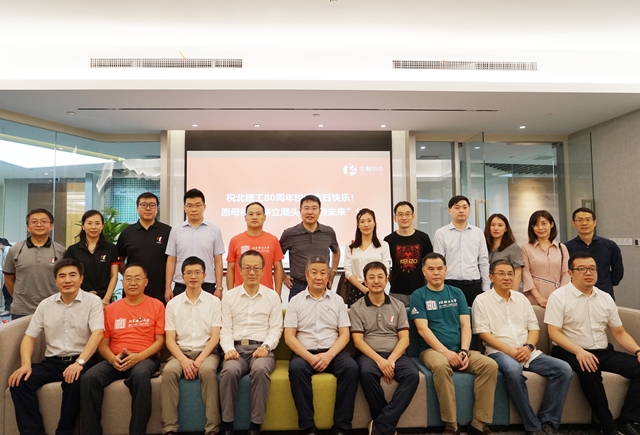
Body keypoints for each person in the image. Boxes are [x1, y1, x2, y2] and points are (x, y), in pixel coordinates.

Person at [472, 260, 572, 435]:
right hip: (499, 352)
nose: (507, 277)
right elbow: (483, 333)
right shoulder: (481, 300)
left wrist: (528, 347)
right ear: (491, 277)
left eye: (510, 274)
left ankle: (548, 421)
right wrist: (509, 351)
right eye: (501, 273)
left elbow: (534, 328)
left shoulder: (521, 299)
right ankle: (533, 426)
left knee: (563, 369)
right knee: (513, 370)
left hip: (528, 352)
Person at [545, 252, 640, 435]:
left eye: (592, 269)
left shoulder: (605, 297)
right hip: (569, 350)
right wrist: (579, 351)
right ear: (570, 273)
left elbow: (619, 332)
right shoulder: (558, 297)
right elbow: (554, 333)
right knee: (589, 368)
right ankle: (607, 426)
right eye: (582, 269)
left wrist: (637, 350)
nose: (588, 273)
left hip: (602, 351)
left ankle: (627, 420)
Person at [9, 258, 103, 435]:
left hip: (82, 360)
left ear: (81, 278)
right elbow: (29, 337)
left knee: (74, 380)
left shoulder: (93, 301)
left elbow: (98, 333)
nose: (67, 280)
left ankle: (64, 432)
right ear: (55, 280)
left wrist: (79, 363)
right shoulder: (46, 305)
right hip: (52, 363)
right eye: (62, 276)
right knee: (20, 382)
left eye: (72, 275)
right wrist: (25, 364)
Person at [411, 252, 498, 435]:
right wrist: (446, 353)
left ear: (446, 270)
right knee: (441, 366)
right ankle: (451, 424)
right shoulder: (418, 295)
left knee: (489, 365)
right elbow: (422, 329)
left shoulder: (457, 293)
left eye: (439, 268)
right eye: (431, 269)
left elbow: (466, 325)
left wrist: (464, 351)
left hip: (460, 349)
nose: (436, 272)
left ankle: (478, 423)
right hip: (432, 351)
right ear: (424, 272)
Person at [81, 264, 165, 435]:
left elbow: (160, 341)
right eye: (128, 278)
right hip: (115, 358)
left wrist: (139, 357)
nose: (132, 282)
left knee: (140, 376)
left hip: (144, 358)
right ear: (123, 282)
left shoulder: (157, 305)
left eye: (137, 278)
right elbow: (102, 343)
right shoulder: (111, 309)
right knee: (89, 378)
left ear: (146, 282)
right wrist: (112, 358)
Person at [285, 256, 358, 435]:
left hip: (333, 352)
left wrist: (328, 355)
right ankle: (308, 426)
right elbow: (289, 337)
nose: (318, 277)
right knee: (296, 369)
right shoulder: (295, 301)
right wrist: (310, 358)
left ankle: (341, 426)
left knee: (351, 367)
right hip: (305, 353)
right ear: (307, 275)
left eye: (323, 273)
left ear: (329, 276)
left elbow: (345, 334)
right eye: (314, 272)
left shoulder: (337, 301)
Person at [349, 261, 419, 435]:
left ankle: (381, 425)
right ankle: (386, 426)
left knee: (412, 375)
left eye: (380, 277)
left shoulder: (398, 305)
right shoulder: (356, 308)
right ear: (365, 281)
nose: (376, 281)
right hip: (369, 355)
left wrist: (391, 360)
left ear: (387, 279)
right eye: (371, 277)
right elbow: (358, 341)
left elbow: (404, 339)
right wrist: (380, 361)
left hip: (396, 354)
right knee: (366, 373)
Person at [219, 250, 283, 435]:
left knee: (261, 370)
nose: (252, 272)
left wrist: (266, 347)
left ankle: (255, 425)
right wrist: (228, 349)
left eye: (256, 268)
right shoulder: (229, 297)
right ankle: (227, 423)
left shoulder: (272, 297)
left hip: (261, 349)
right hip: (236, 349)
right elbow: (225, 328)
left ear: (263, 270)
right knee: (229, 371)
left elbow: (276, 329)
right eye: (247, 268)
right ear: (240, 270)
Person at [162, 256, 222, 435]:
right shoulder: (173, 304)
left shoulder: (214, 302)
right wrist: (184, 360)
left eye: (197, 272)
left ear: (204, 275)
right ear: (182, 277)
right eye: (188, 273)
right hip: (181, 352)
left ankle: (212, 428)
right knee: (168, 372)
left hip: (207, 353)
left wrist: (199, 361)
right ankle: (169, 428)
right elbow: (170, 340)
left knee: (208, 371)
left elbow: (215, 337)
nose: (193, 276)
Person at [2, 208, 66, 319]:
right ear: (27, 227)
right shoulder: (15, 250)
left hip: (53, 308)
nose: (39, 224)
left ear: (51, 226)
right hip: (21, 310)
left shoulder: (61, 251)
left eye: (44, 221)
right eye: (34, 222)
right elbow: (8, 280)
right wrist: (19, 298)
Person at [166, 188, 225, 302]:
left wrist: (219, 287)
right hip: (181, 285)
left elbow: (218, 261)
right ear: (184, 208)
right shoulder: (176, 230)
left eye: (198, 205)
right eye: (189, 206)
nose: (194, 209)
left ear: (204, 207)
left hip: (207, 285)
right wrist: (168, 287)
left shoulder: (215, 230)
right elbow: (171, 260)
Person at [280, 194, 340, 301]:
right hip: (298, 286)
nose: (310, 212)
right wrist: (283, 276)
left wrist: (333, 272)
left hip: (322, 285)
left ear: (319, 211)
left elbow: (336, 251)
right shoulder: (289, 234)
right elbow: (277, 257)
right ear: (300, 211)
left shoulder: (328, 232)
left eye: (314, 208)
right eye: (306, 208)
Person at [433, 196, 490, 306]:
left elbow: (483, 261)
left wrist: (486, 287)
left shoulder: (478, 233)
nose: (461, 210)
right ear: (449, 210)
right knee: (451, 315)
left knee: (475, 315)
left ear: (469, 210)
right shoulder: (441, 233)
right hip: (450, 284)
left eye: (465, 207)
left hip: (474, 285)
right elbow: (438, 263)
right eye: (457, 207)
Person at [117, 192, 172, 304]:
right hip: (133, 288)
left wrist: (168, 287)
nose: (148, 208)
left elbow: (172, 261)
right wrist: (131, 276)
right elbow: (119, 260)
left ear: (157, 208)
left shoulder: (167, 231)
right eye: (143, 205)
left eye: (152, 205)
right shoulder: (127, 232)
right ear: (137, 208)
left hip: (160, 288)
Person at [226, 202, 285, 297]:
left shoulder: (273, 240)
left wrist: (278, 294)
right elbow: (231, 269)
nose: (254, 217)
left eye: (258, 214)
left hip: (267, 294)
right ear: (245, 218)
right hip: (241, 295)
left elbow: (278, 268)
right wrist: (231, 294)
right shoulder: (235, 240)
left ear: (264, 217)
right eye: (250, 214)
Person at [64, 209, 120, 307]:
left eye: (97, 223)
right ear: (83, 226)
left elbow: (114, 275)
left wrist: (106, 300)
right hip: (79, 299)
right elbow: (69, 275)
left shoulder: (111, 249)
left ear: (102, 226)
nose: (93, 227)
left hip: (104, 299)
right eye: (89, 223)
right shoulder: (73, 250)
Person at [565, 207, 623, 299]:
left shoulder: (610, 245)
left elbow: (618, 270)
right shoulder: (566, 247)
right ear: (573, 223)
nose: (584, 223)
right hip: (576, 294)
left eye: (588, 220)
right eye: (579, 220)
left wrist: (609, 284)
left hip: (604, 292)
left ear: (594, 222)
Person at [383, 201, 433, 307]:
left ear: (413, 216)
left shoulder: (423, 238)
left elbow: (430, 264)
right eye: (400, 214)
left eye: (407, 214)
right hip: (397, 291)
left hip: (421, 290)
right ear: (395, 218)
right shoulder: (388, 240)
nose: (404, 217)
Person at [521, 210, 569, 307]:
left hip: (559, 296)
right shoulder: (525, 248)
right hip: (534, 296)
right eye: (536, 225)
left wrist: (560, 295)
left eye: (544, 223)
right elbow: (525, 274)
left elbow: (566, 273)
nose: (540, 228)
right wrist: (538, 298)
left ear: (551, 224)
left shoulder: (561, 248)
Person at [343, 208, 391, 305]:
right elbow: (348, 271)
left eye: (369, 221)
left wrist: (374, 286)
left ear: (374, 223)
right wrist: (363, 288)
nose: (366, 225)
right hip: (355, 289)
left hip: (376, 288)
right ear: (358, 225)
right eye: (362, 221)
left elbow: (386, 269)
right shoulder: (351, 246)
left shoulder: (383, 245)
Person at [484, 213, 524, 290]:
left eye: (500, 225)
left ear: (506, 229)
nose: (496, 228)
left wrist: (512, 294)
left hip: (505, 290)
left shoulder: (513, 247)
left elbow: (518, 274)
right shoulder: (483, 246)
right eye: (492, 225)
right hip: (484, 290)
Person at [0, 237, 11, 316]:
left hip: (12, 274)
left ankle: (8, 310)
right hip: (11, 274)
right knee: (6, 290)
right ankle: (8, 309)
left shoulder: (8, 250)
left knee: (6, 291)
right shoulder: (6, 250)